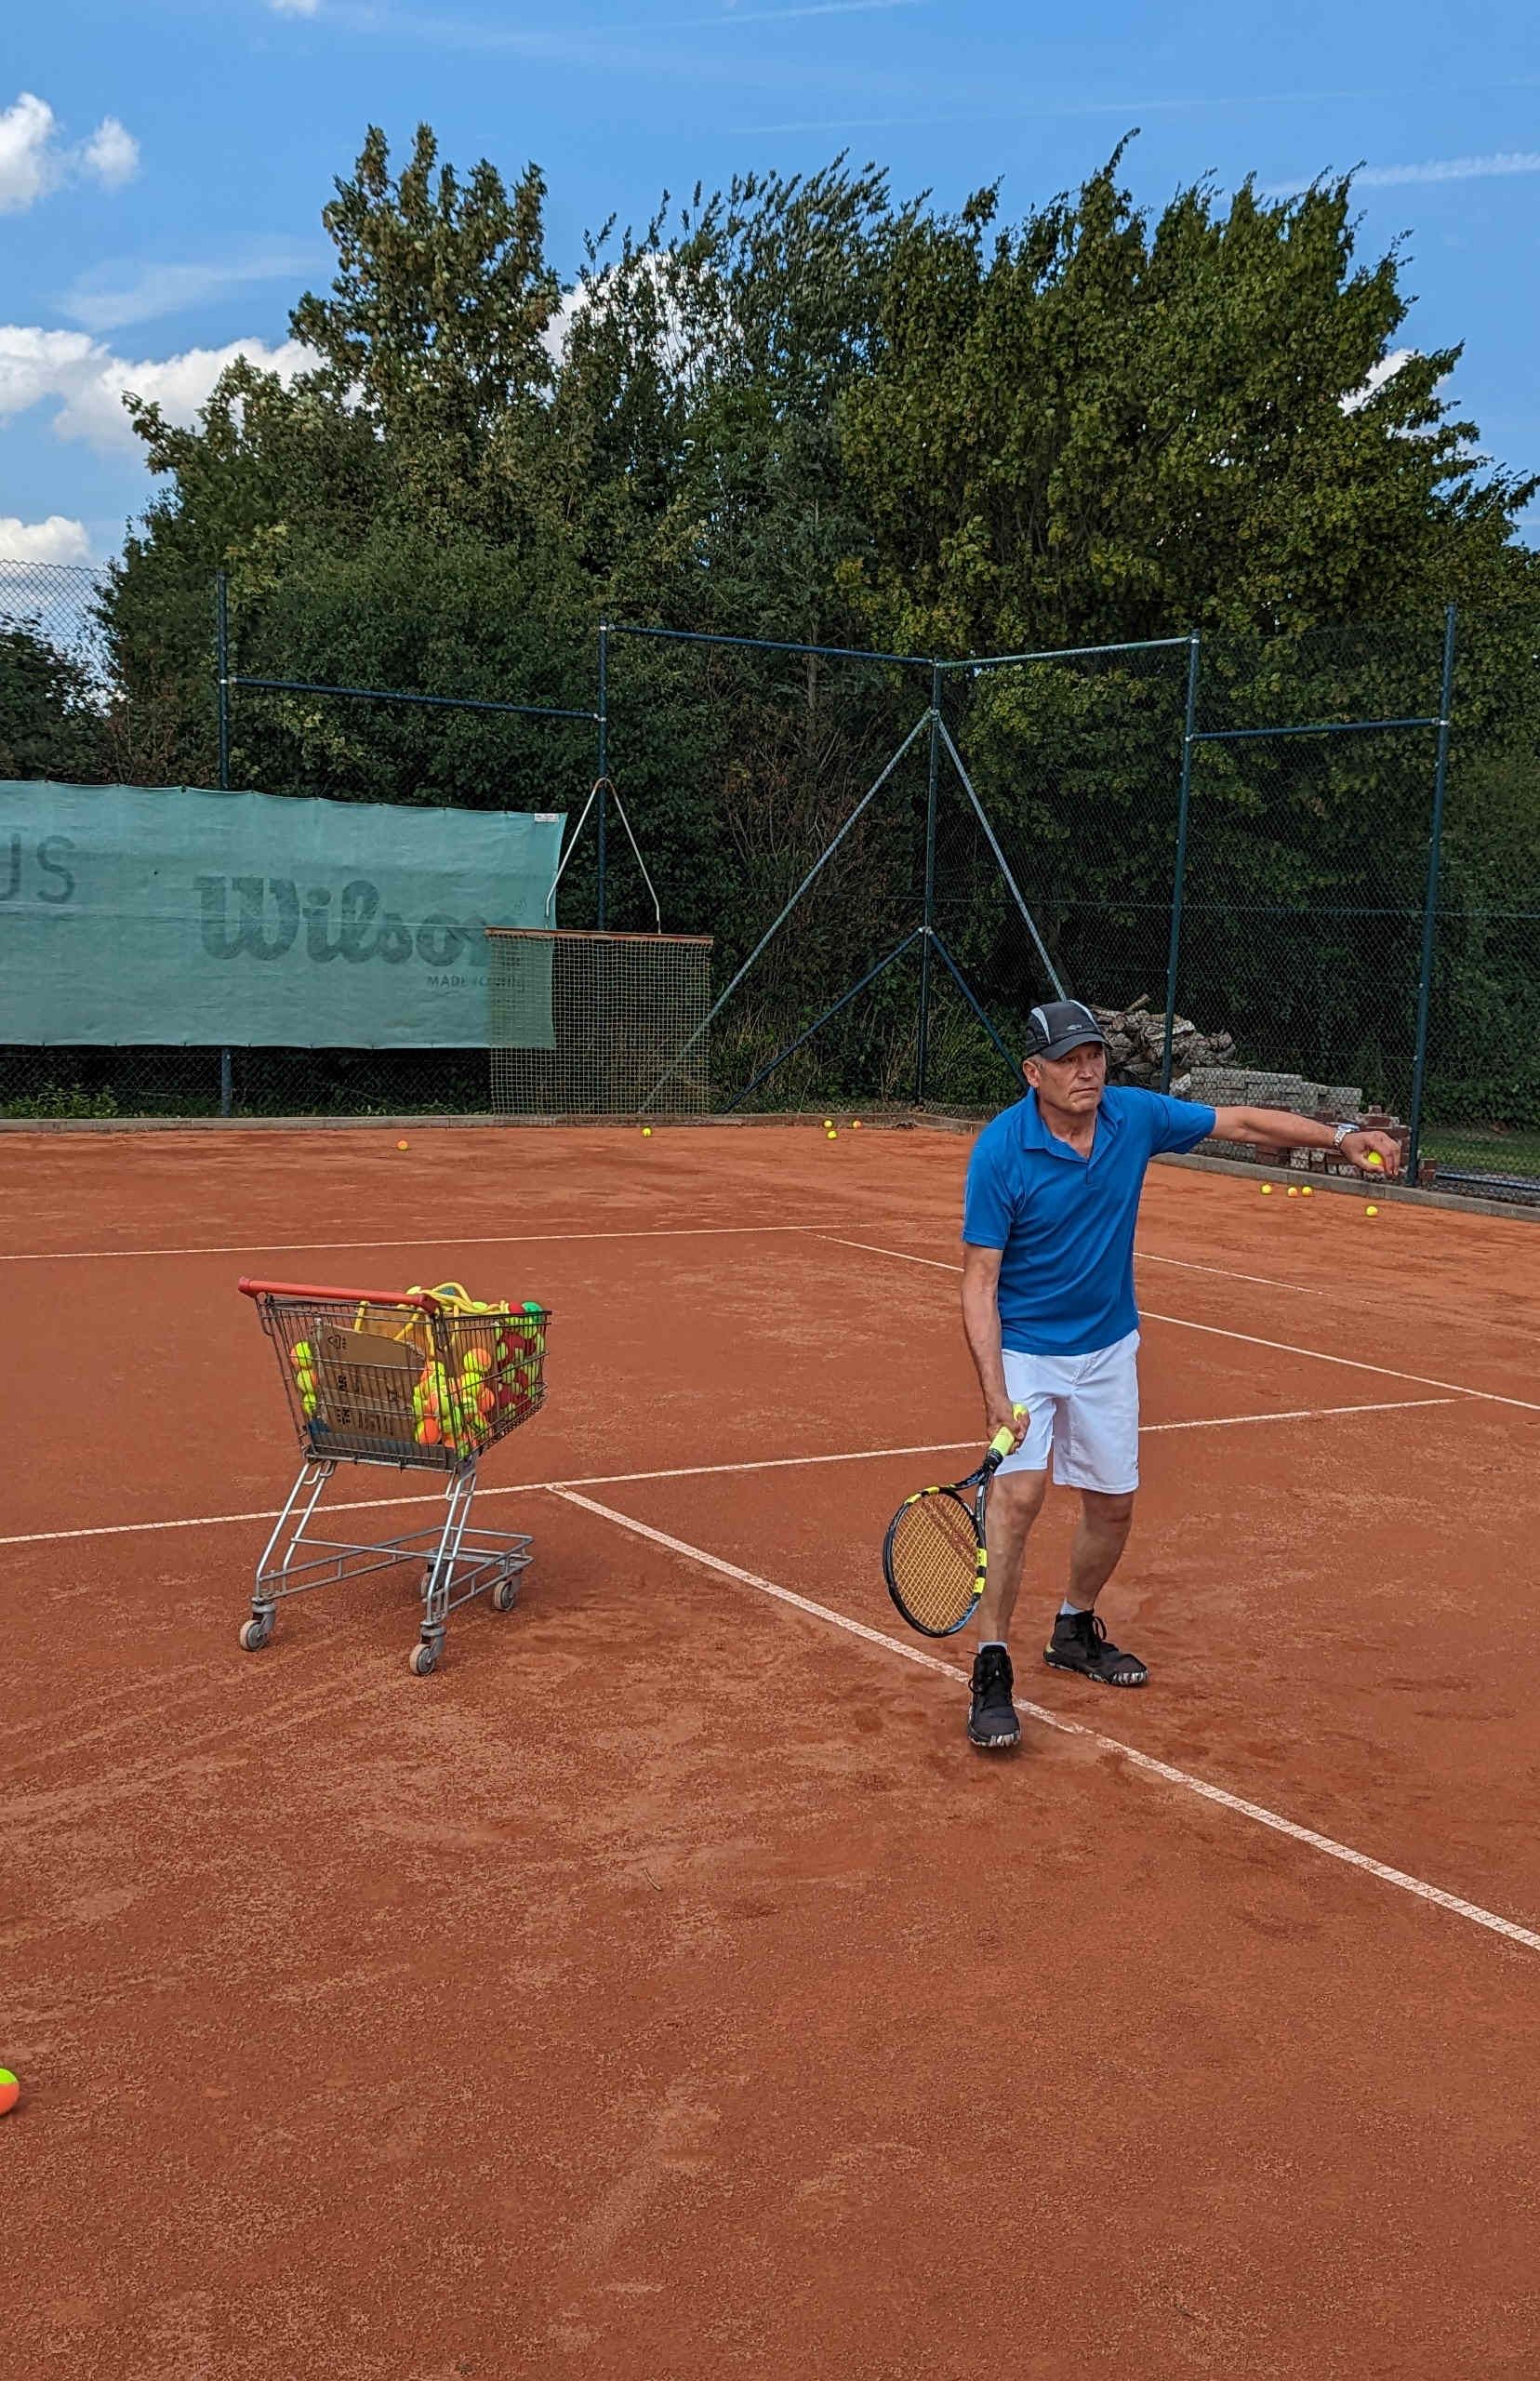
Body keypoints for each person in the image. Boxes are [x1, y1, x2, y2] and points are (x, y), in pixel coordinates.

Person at [960, 999, 1403, 1751]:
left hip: (1108, 1347)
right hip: (1028, 1349)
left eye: (1094, 1056)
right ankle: (992, 1664)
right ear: (1033, 1073)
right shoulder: (1001, 1151)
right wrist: (996, 1394)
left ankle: (1073, 1628)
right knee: (1019, 1498)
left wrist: (1340, 1137)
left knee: (1113, 1506)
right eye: (1068, 1061)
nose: (1087, 1071)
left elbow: (1242, 1123)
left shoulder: (1133, 1117)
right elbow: (979, 1281)